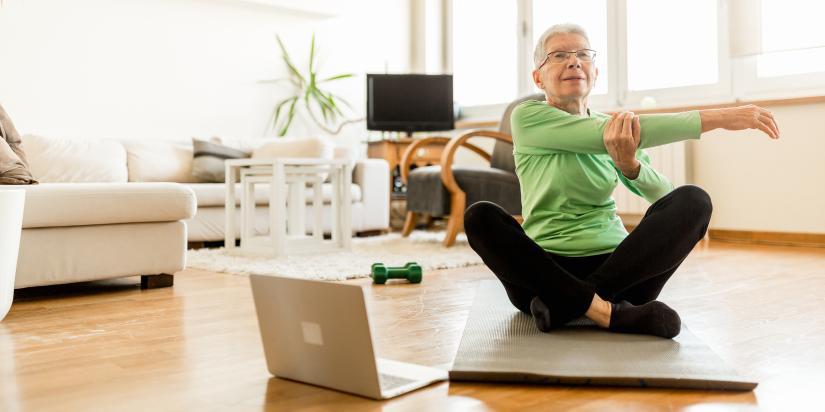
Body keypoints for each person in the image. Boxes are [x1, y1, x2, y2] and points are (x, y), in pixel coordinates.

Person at [464, 23, 780, 339]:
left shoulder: (611, 127)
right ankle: (606, 311)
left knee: (695, 201)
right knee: (480, 216)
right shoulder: (527, 117)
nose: (574, 61)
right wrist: (723, 118)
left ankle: (571, 305)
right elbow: (631, 132)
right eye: (559, 55)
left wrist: (629, 164)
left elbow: (664, 196)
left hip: (620, 270)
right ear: (538, 77)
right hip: (543, 273)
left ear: (595, 72)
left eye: (582, 54)